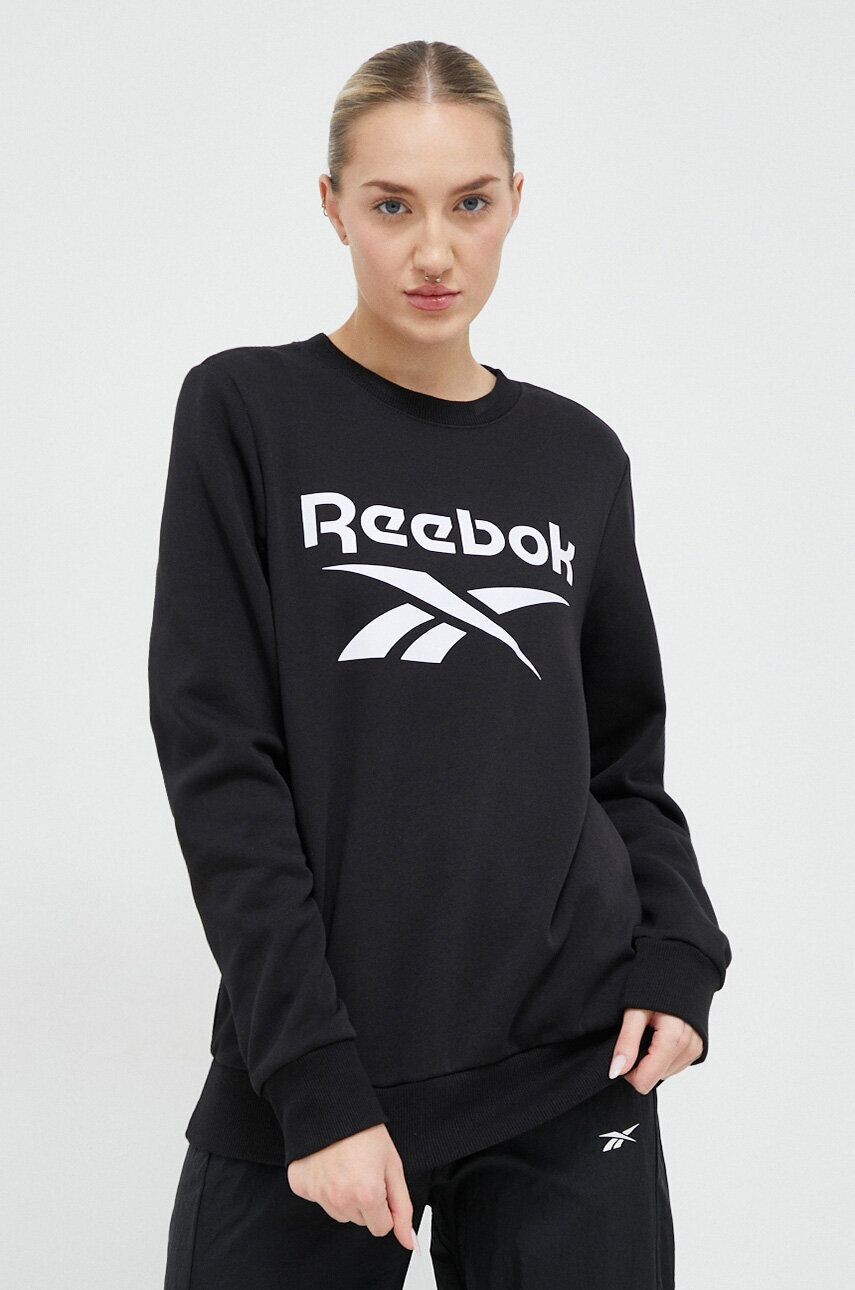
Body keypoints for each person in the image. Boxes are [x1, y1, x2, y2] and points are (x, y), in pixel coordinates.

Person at [149, 38, 732, 1290]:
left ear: (515, 200)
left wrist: (681, 959)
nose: (433, 252)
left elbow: (623, 764)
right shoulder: (247, 415)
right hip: (325, 1079)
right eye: (391, 206)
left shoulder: (578, 459)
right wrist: (313, 1081)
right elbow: (221, 765)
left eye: (469, 204)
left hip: (573, 1070)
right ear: (332, 206)